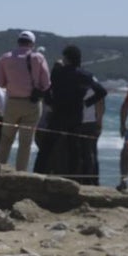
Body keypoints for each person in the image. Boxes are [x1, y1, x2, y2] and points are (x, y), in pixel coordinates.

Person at [35, 45, 106, 180]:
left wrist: (50, 102)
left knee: (46, 148)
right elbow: (102, 92)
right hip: (75, 115)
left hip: (58, 113)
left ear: (66, 58)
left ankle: (37, 174)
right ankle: (72, 178)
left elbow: (47, 90)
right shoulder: (85, 75)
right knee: (74, 149)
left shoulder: (57, 73)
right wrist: (87, 102)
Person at [0, 31, 51, 171]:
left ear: (18, 41)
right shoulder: (38, 58)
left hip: (12, 102)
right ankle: (21, 172)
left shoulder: (5, 58)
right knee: (25, 143)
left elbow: (0, 83)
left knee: (6, 139)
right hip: (31, 104)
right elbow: (46, 83)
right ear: (32, 43)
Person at [79, 84, 106, 186]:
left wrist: (99, 121)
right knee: (90, 152)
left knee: (87, 153)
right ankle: (91, 180)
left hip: (86, 121)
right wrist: (99, 121)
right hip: (89, 121)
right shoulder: (92, 82)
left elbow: (99, 103)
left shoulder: (89, 83)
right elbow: (100, 104)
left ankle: (88, 179)